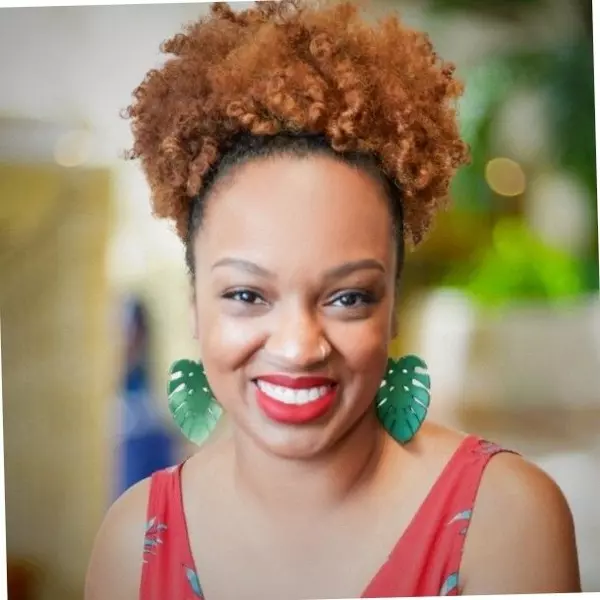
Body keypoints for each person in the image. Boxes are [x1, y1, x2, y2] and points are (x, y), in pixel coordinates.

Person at [85, 2, 581, 599]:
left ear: (393, 305)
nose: (299, 348)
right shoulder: (132, 542)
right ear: (194, 304)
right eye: (246, 294)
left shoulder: (505, 520)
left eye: (347, 297)